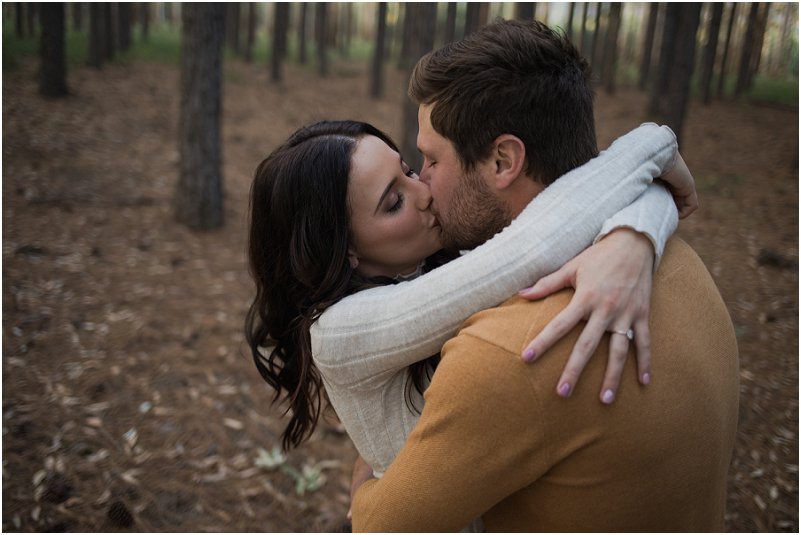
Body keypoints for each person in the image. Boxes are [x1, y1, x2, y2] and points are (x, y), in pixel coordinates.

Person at [350, 20, 739, 532]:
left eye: (431, 158)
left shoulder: (510, 350)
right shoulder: (678, 259)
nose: (422, 180)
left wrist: (363, 465)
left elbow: (377, 524)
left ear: (503, 160)